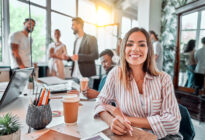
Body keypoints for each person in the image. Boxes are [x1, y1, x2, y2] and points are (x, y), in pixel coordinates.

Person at [94, 28, 182, 139]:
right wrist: (111, 120)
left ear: (149, 50)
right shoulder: (116, 74)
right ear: (124, 49)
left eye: (141, 45)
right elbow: (99, 103)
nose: (135, 49)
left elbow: (173, 123)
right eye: (129, 44)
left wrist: (125, 119)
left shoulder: (164, 79)